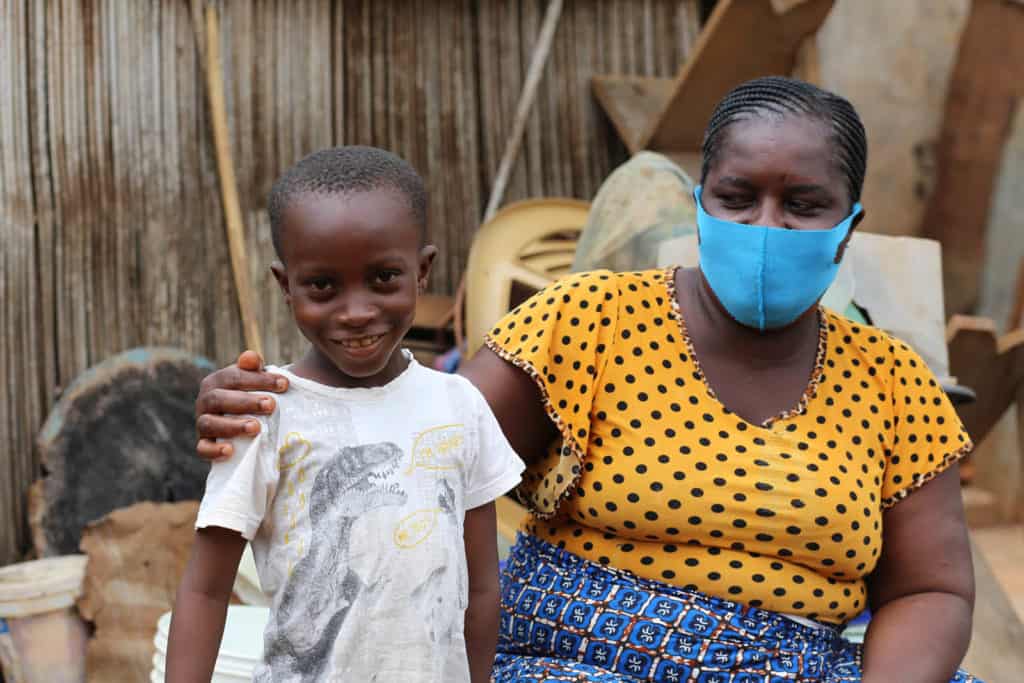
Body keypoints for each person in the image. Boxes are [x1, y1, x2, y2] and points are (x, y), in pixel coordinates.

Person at [192, 79, 982, 682]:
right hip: (572, 656)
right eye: (738, 197)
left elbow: (932, 590)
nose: (764, 227)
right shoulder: (590, 321)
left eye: (803, 204)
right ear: (700, 201)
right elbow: (413, 440)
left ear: (849, 225)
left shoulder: (891, 379)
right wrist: (269, 398)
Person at [167, 146, 524, 683]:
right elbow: (205, 589)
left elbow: (480, 588)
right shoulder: (262, 414)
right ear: (285, 284)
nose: (357, 312)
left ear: (422, 272)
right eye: (322, 286)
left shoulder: (459, 406)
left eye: (384, 278)